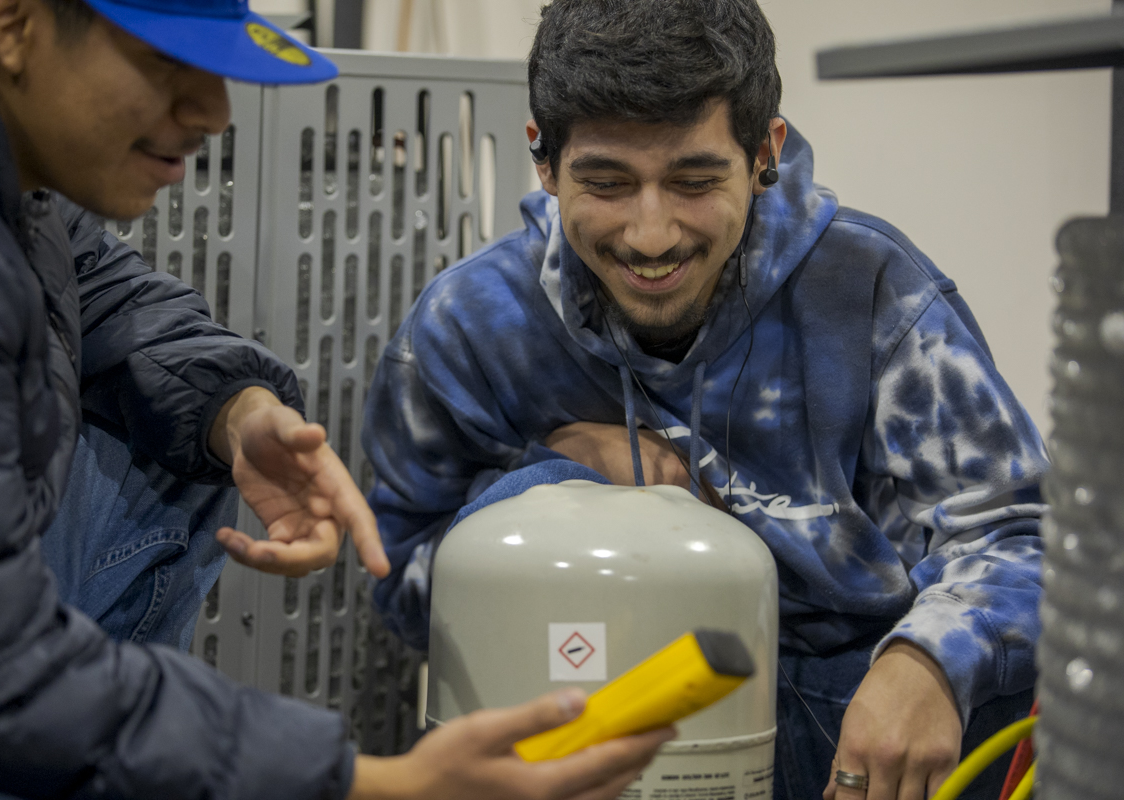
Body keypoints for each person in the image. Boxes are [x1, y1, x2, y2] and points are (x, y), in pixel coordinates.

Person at [0, 0, 674, 797]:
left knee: (170, 434)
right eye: (162, 61)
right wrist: (375, 783)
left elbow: (100, 292)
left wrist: (237, 411)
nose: (213, 110)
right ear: (11, 22)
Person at [361, 1, 1049, 799]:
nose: (651, 236)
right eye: (607, 183)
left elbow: (1025, 534)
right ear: (544, 163)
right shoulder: (471, 323)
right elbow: (403, 576)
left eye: (694, 181)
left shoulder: (873, 292)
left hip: (844, 714)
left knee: (974, 662)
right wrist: (553, 481)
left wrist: (927, 661)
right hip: (590, 712)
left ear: (766, 152)